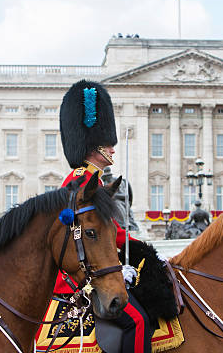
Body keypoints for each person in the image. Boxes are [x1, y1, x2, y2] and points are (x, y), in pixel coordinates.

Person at [57, 80, 152, 353]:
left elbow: (110, 231)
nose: (112, 150)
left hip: (94, 271)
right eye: (108, 145)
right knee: (138, 321)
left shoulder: (93, 182)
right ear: (95, 147)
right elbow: (88, 234)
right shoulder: (80, 182)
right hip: (79, 280)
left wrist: (139, 250)